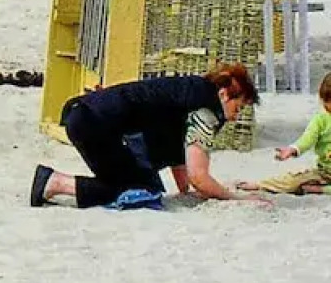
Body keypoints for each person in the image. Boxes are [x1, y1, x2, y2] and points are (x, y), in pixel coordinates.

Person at [30, 65, 269, 208]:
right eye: (238, 108)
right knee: (140, 192)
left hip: (84, 115)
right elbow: (199, 175)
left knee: (146, 185)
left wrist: (185, 191)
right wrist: (235, 198)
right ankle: (55, 182)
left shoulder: (191, 91)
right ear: (225, 95)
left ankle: (55, 183)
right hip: (96, 123)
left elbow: (180, 155)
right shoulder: (206, 110)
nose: (235, 117)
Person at [240, 72, 331, 195]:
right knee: (292, 180)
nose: (327, 105)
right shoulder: (321, 120)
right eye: (326, 101)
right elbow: (307, 139)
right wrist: (292, 149)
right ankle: (261, 184)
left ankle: (321, 190)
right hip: (324, 171)